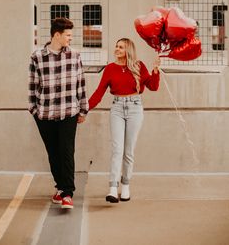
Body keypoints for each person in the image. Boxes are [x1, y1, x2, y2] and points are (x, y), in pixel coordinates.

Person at [88, 38, 160, 203]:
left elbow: (153, 87)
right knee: (117, 149)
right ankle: (113, 188)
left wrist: (156, 69)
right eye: (116, 46)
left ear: (128, 50)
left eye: (121, 47)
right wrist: (85, 109)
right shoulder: (110, 69)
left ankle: (125, 185)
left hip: (135, 108)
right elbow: (99, 92)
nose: (117, 49)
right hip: (117, 109)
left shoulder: (139, 66)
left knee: (128, 151)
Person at [28, 17, 88, 209]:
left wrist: (83, 109)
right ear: (57, 35)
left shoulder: (74, 55)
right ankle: (60, 188)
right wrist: (34, 110)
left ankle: (68, 193)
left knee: (66, 151)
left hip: (68, 111)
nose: (71, 38)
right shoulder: (37, 57)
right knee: (53, 153)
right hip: (44, 114)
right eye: (68, 35)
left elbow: (81, 83)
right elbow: (32, 86)